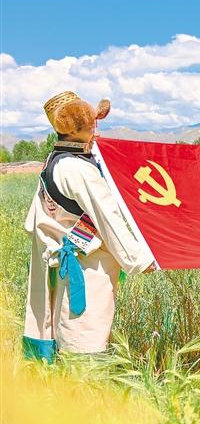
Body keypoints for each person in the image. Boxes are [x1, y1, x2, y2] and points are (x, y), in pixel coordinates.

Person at [23, 91, 155, 362]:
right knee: (85, 331)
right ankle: (85, 380)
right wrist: (141, 260)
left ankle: (64, 378)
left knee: (66, 322)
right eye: (90, 126)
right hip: (87, 265)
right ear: (75, 129)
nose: (96, 131)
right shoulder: (78, 169)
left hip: (65, 262)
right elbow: (108, 218)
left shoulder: (54, 160)